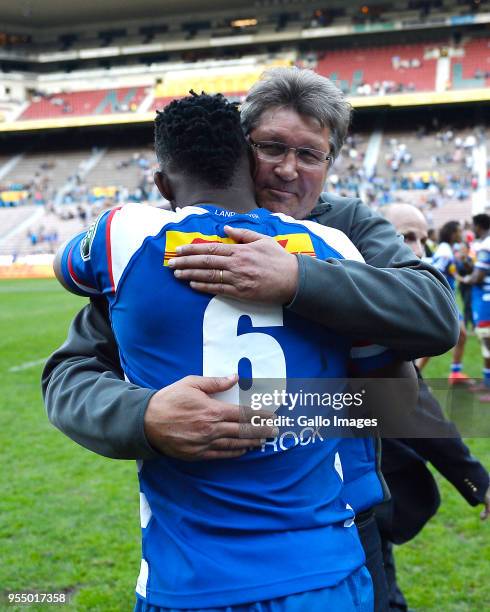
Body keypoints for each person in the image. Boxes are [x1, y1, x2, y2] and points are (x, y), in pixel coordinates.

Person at [43, 68, 458, 610]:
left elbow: (430, 323)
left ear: (330, 164)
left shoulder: (347, 230)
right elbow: (69, 375)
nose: (288, 169)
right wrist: (142, 415)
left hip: (345, 526)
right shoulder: (159, 247)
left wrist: (298, 281)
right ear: (241, 148)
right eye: (271, 147)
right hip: (222, 557)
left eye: (310, 155)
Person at [378, 204, 490, 612]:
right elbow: (413, 409)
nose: (417, 249)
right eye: (406, 237)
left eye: (422, 239)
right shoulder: (350, 300)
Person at [418, 220, 469, 383]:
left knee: (460, 336)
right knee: (440, 340)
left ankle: (455, 373)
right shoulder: (445, 251)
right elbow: (435, 273)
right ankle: (415, 374)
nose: (462, 233)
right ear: (453, 233)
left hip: (448, 300)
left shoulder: (448, 249)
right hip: (444, 301)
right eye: (460, 231)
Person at [460, 213, 490, 401]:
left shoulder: (486, 246)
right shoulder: (484, 244)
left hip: (486, 298)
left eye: (473, 225)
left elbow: (477, 276)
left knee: (487, 342)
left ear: (479, 226)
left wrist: (464, 279)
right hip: (484, 298)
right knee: (485, 342)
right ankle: (486, 382)